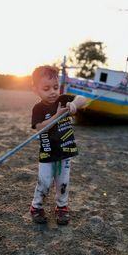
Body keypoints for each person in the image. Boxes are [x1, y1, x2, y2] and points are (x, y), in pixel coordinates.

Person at [30, 65, 86, 225]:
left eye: (56, 87)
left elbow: (83, 98)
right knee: (44, 182)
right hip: (47, 154)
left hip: (65, 152)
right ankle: (36, 207)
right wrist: (57, 115)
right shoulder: (38, 108)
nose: (53, 92)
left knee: (63, 182)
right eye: (46, 88)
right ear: (36, 89)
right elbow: (40, 128)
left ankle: (62, 207)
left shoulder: (63, 100)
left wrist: (75, 104)